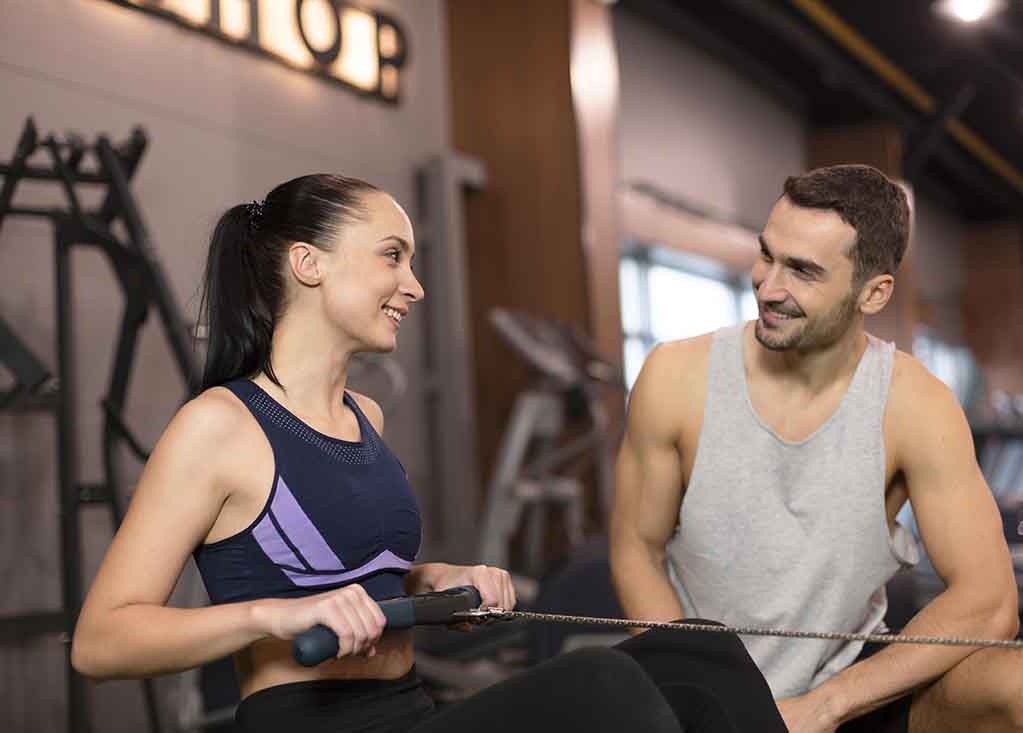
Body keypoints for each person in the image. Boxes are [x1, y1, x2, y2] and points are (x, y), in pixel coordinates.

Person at [71, 174, 785, 733]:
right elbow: (101, 640)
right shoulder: (220, 425)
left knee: (697, 649)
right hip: (311, 726)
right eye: (393, 256)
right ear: (307, 263)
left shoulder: (366, 415)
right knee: (601, 684)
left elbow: (353, 571)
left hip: (411, 708)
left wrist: (437, 579)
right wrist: (270, 616)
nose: (414, 285)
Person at [610, 164, 1023, 733]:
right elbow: (638, 546)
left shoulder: (914, 404)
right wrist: (697, 692)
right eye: (768, 255)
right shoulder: (675, 377)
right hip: (701, 690)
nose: (768, 286)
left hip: (846, 689)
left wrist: (827, 706)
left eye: (803, 271)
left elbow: (989, 600)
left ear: (873, 292)